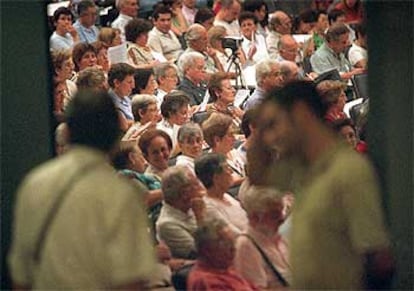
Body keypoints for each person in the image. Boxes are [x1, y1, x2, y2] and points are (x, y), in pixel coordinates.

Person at [250, 80, 394, 289]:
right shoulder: (300, 168)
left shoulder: (349, 170)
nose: (270, 137)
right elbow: (257, 175)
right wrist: (260, 127)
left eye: (274, 124)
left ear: (300, 113)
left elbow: (379, 259)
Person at [8, 90, 155, 289]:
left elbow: (21, 275)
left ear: (67, 132)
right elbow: (130, 281)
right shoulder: (121, 194)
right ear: (115, 138)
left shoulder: (35, 182)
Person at [234, 187, 291, 289]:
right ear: (254, 217)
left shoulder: (278, 235)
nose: (282, 218)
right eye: (274, 214)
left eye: (282, 211)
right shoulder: (246, 246)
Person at [187, 218, 256, 291]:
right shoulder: (207, 281)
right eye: (226, 244)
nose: (233, 248)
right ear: (207, 249)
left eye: (232, 242)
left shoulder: (225, 267)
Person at [156, 165, 205, 259]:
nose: (201, 189)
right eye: (196, 184)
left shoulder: (190, 206)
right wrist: (200, 217)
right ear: (184, 193)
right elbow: (204, 254)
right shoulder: (167, 224)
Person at [195, 153, 248, 234]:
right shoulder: (210, 208)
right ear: (216, 178)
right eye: (227, 168)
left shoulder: (226, 195)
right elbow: (234, 234)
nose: (231, 171)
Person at [202, 113, 245, 185]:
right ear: (217, 140)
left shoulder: (234, 152)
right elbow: (229, 182)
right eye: (230, 135)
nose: (234, 138)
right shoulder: (212, 164)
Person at [107, 62, 136, 132]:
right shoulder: (110, 103)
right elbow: (124, 125)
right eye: (129, 82)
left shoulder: (126, 97)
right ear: (116, 83)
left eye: (133, 82)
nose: (133, 86)